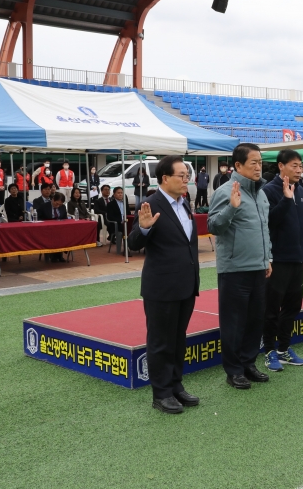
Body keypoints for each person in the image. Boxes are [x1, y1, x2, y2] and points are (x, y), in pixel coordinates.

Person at [127, 156, 200, 414]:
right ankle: (161, 393)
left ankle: (176, 385)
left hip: (186, 284)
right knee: (160, 341)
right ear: (165, 178)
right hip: (162, 287)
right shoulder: (151, 203)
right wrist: (144, 229)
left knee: (178, 339)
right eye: (181, 175)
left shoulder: (185, 202)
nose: (186, 180)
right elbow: (133, 242)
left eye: (187, 175)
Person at [208, 143, 272, 389]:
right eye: (253, 163)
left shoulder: (260, 192)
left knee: (255, 320)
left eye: (260, 162)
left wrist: (268, 258)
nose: (259, 167)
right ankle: (233, 370)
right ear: (238, 165)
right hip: (234, 269)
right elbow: (213, 227)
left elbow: (264, 229)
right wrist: (231, 209)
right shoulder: (225, 191)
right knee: (234, 323)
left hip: (258, 267)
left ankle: (248, 363)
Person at [260, 149, 303, 371]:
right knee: (272, 308)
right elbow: (269, 222)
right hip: (277, 259)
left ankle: (284, 348)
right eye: (294, 165)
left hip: (297, 258)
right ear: (281, 166)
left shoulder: (300, 190)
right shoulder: (269, 191)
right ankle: (269, 350)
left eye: (301, 166)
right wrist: (286, 201)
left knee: (292, 306)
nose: (299, 170)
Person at [106, 187, 132, 256]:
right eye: (118, 193)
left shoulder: (125, 203)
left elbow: (129, 214)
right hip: (117, 224)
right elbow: (110, 217)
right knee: (124, 228)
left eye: (121, 193)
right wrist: (120, 221)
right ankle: (126, 249)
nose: (120, 194)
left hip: (126, 222)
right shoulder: (110, 204)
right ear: (114, 194)